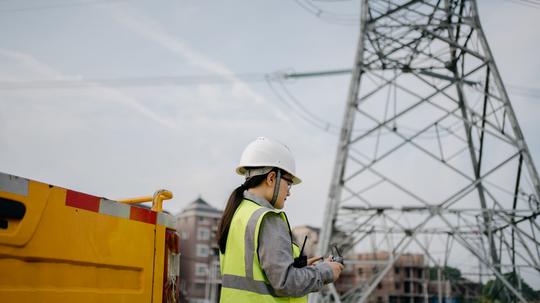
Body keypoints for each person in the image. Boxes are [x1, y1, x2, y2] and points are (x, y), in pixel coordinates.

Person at [217, 137, 344, 303]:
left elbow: (259, 275)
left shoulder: (236, 213)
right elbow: (286, 283)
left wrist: (301, 269)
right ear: (271, 178)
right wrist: (326, 271)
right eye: (288, 183)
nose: (289, 192)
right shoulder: (267, 218)